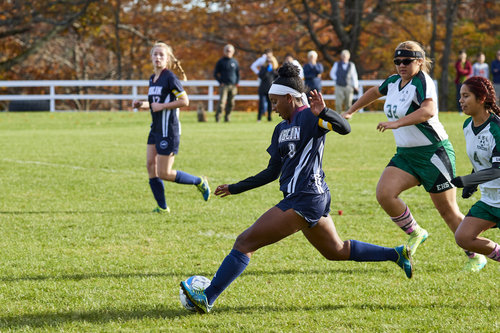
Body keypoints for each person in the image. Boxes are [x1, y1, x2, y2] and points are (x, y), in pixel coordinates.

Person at [180, 63, 413, 314]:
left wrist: (325, 113)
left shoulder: (311, 117)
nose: (273, 107)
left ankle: (208, 297)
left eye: (275, 101)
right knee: (336, 251)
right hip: (309, 198)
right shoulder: (280, 129)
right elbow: (272, 171)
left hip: (306, 198)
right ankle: (397, 255)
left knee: (245, 242)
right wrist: (236, 188)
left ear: (290, 98)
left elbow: (345, 129)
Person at [343, 41, 487, 272]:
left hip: (433, 152)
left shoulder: (423, 81)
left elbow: (428, 110)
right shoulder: (393, 82)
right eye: (397, 61)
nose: (401, 65)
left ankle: (476, 255)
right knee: (384, 194)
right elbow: (373, 91)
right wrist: (351, 110)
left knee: (448, 212)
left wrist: (396, 123)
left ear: (419, 61)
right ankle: (416, 232)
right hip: (406, 155)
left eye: (407, 61)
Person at [132, 42, 210, 213]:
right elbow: (156, 103)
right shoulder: (153, 79)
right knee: (150, 166)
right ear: (151, 57)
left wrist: (162, 107)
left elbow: (184, 101)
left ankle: (199, 181)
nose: (158, 57)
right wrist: (142, 104)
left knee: (164, 173)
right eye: (155, 54)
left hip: (169, 129)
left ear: (167, 59)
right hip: (156, 128)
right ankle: (162, 206)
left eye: (161, 55)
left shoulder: (170, 77)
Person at [451, 76, 500, 266]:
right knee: (463, 237)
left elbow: (497, 170)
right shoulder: (467, 126)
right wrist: (473, 182)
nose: (460, 100)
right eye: (460, 96)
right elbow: (481, 159)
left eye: (466, 96)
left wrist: (466, 180)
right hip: (489, 200)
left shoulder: (496, 129)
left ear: (481, 99)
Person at [214, 44, 240, 122]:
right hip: (224, 85)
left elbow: (238, 74)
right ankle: (218, 118)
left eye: (230, 51)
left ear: (233, 52)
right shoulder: (220, 62)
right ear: (224, 51)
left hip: (233, 86)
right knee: (222, 103)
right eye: (227, 51)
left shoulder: (235, 62)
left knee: (231, 103)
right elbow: (215, 73)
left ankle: (227, 118)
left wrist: (237, 83)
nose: (228, 52)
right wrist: (220, 82)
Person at [329, 50, 359, 114]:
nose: (344, 57)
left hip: (348, 86)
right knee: (338, 103)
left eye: (346, 56)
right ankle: (338, 116)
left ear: (348, 57)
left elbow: (354, 76)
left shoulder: (351, 65)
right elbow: (332, 73)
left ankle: (347, 116)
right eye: (343, 56)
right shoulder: (337, 64)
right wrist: (337, 79)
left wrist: (355, 85)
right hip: (339, 86)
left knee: (348, 103)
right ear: (341, 57)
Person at [257, 53, 278, 121]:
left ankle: (269, 117)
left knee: (270, 104)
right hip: (263, 89)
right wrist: (267, 71)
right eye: (268, 61)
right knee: (262, 104)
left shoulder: (275, 69)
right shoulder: (263, 68)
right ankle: (259, 117)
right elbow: (261, 76)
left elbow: (277, 77)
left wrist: (272, 70)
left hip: (270, 89)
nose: (269, 62)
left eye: (270, 61)